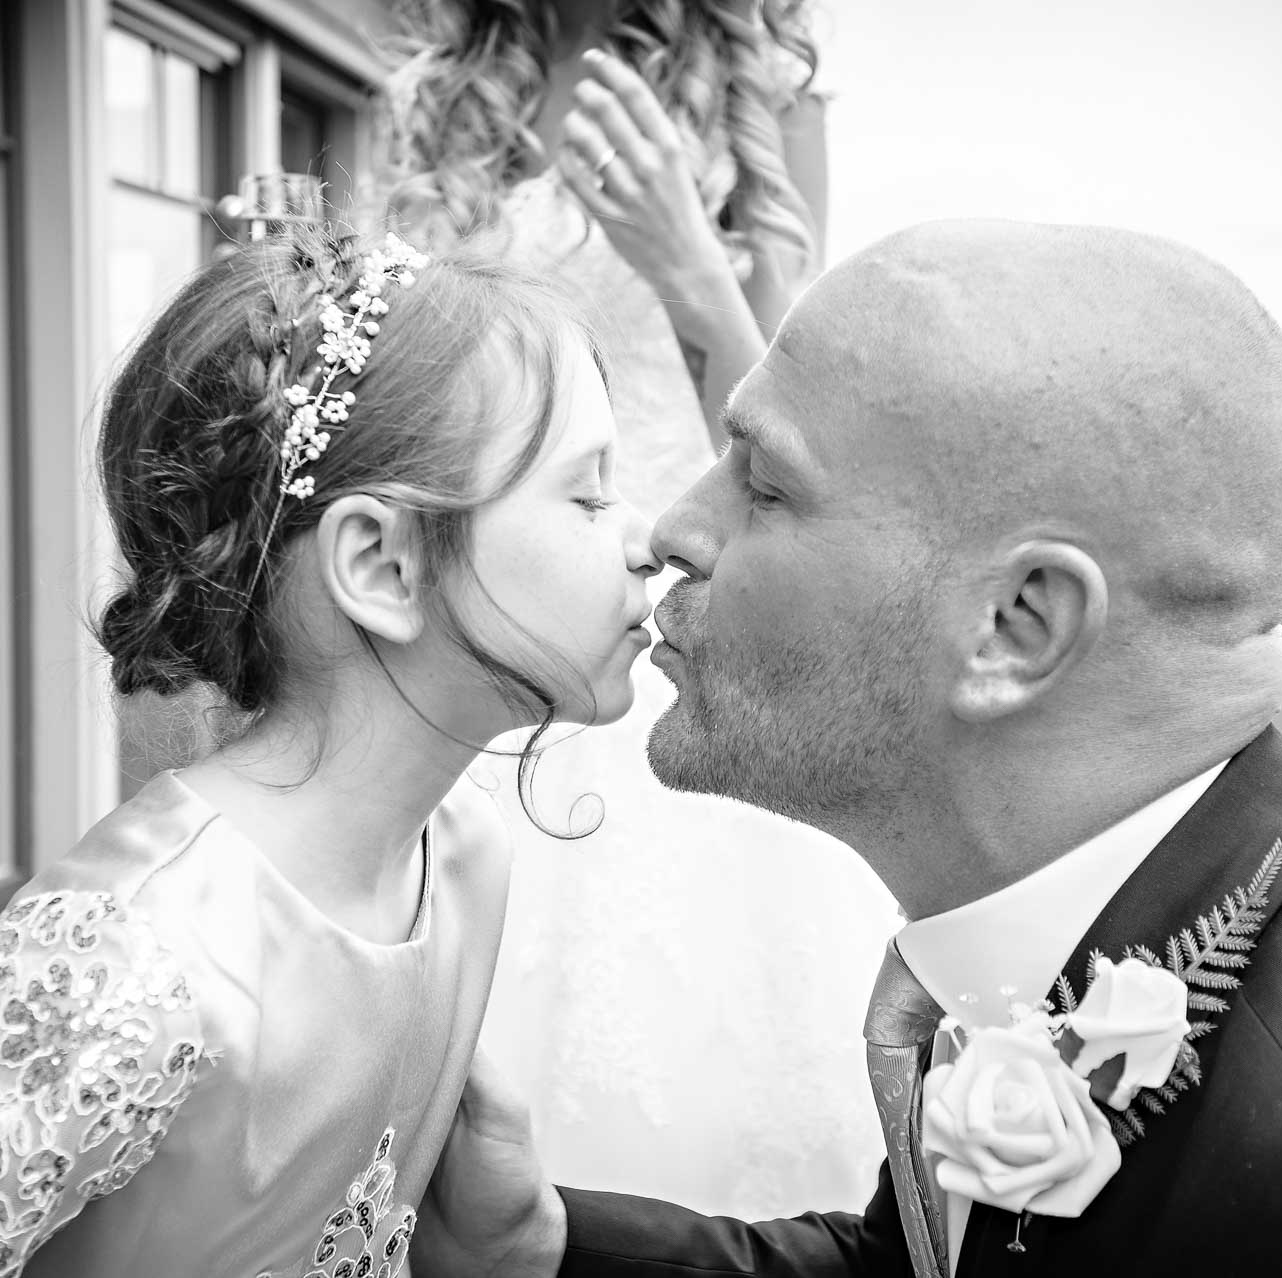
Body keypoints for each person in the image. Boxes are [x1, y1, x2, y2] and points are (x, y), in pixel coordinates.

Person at [409, 219, 1282, 1277]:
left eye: (765, 487)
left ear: (1015, 627)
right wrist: (543, 1251)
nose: (673, 531)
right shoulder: (1132, 891)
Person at [0, 229, 660, 1276]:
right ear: (384, 566)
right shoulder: (123, 963)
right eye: (589, 494)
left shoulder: (464, 859)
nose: (647, 539)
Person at [380, 0, 901, 1218]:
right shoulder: (443, 88)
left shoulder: (759, 84)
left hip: (681, 612)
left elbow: (807, 440)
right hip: (489, 622)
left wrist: (685, 257)